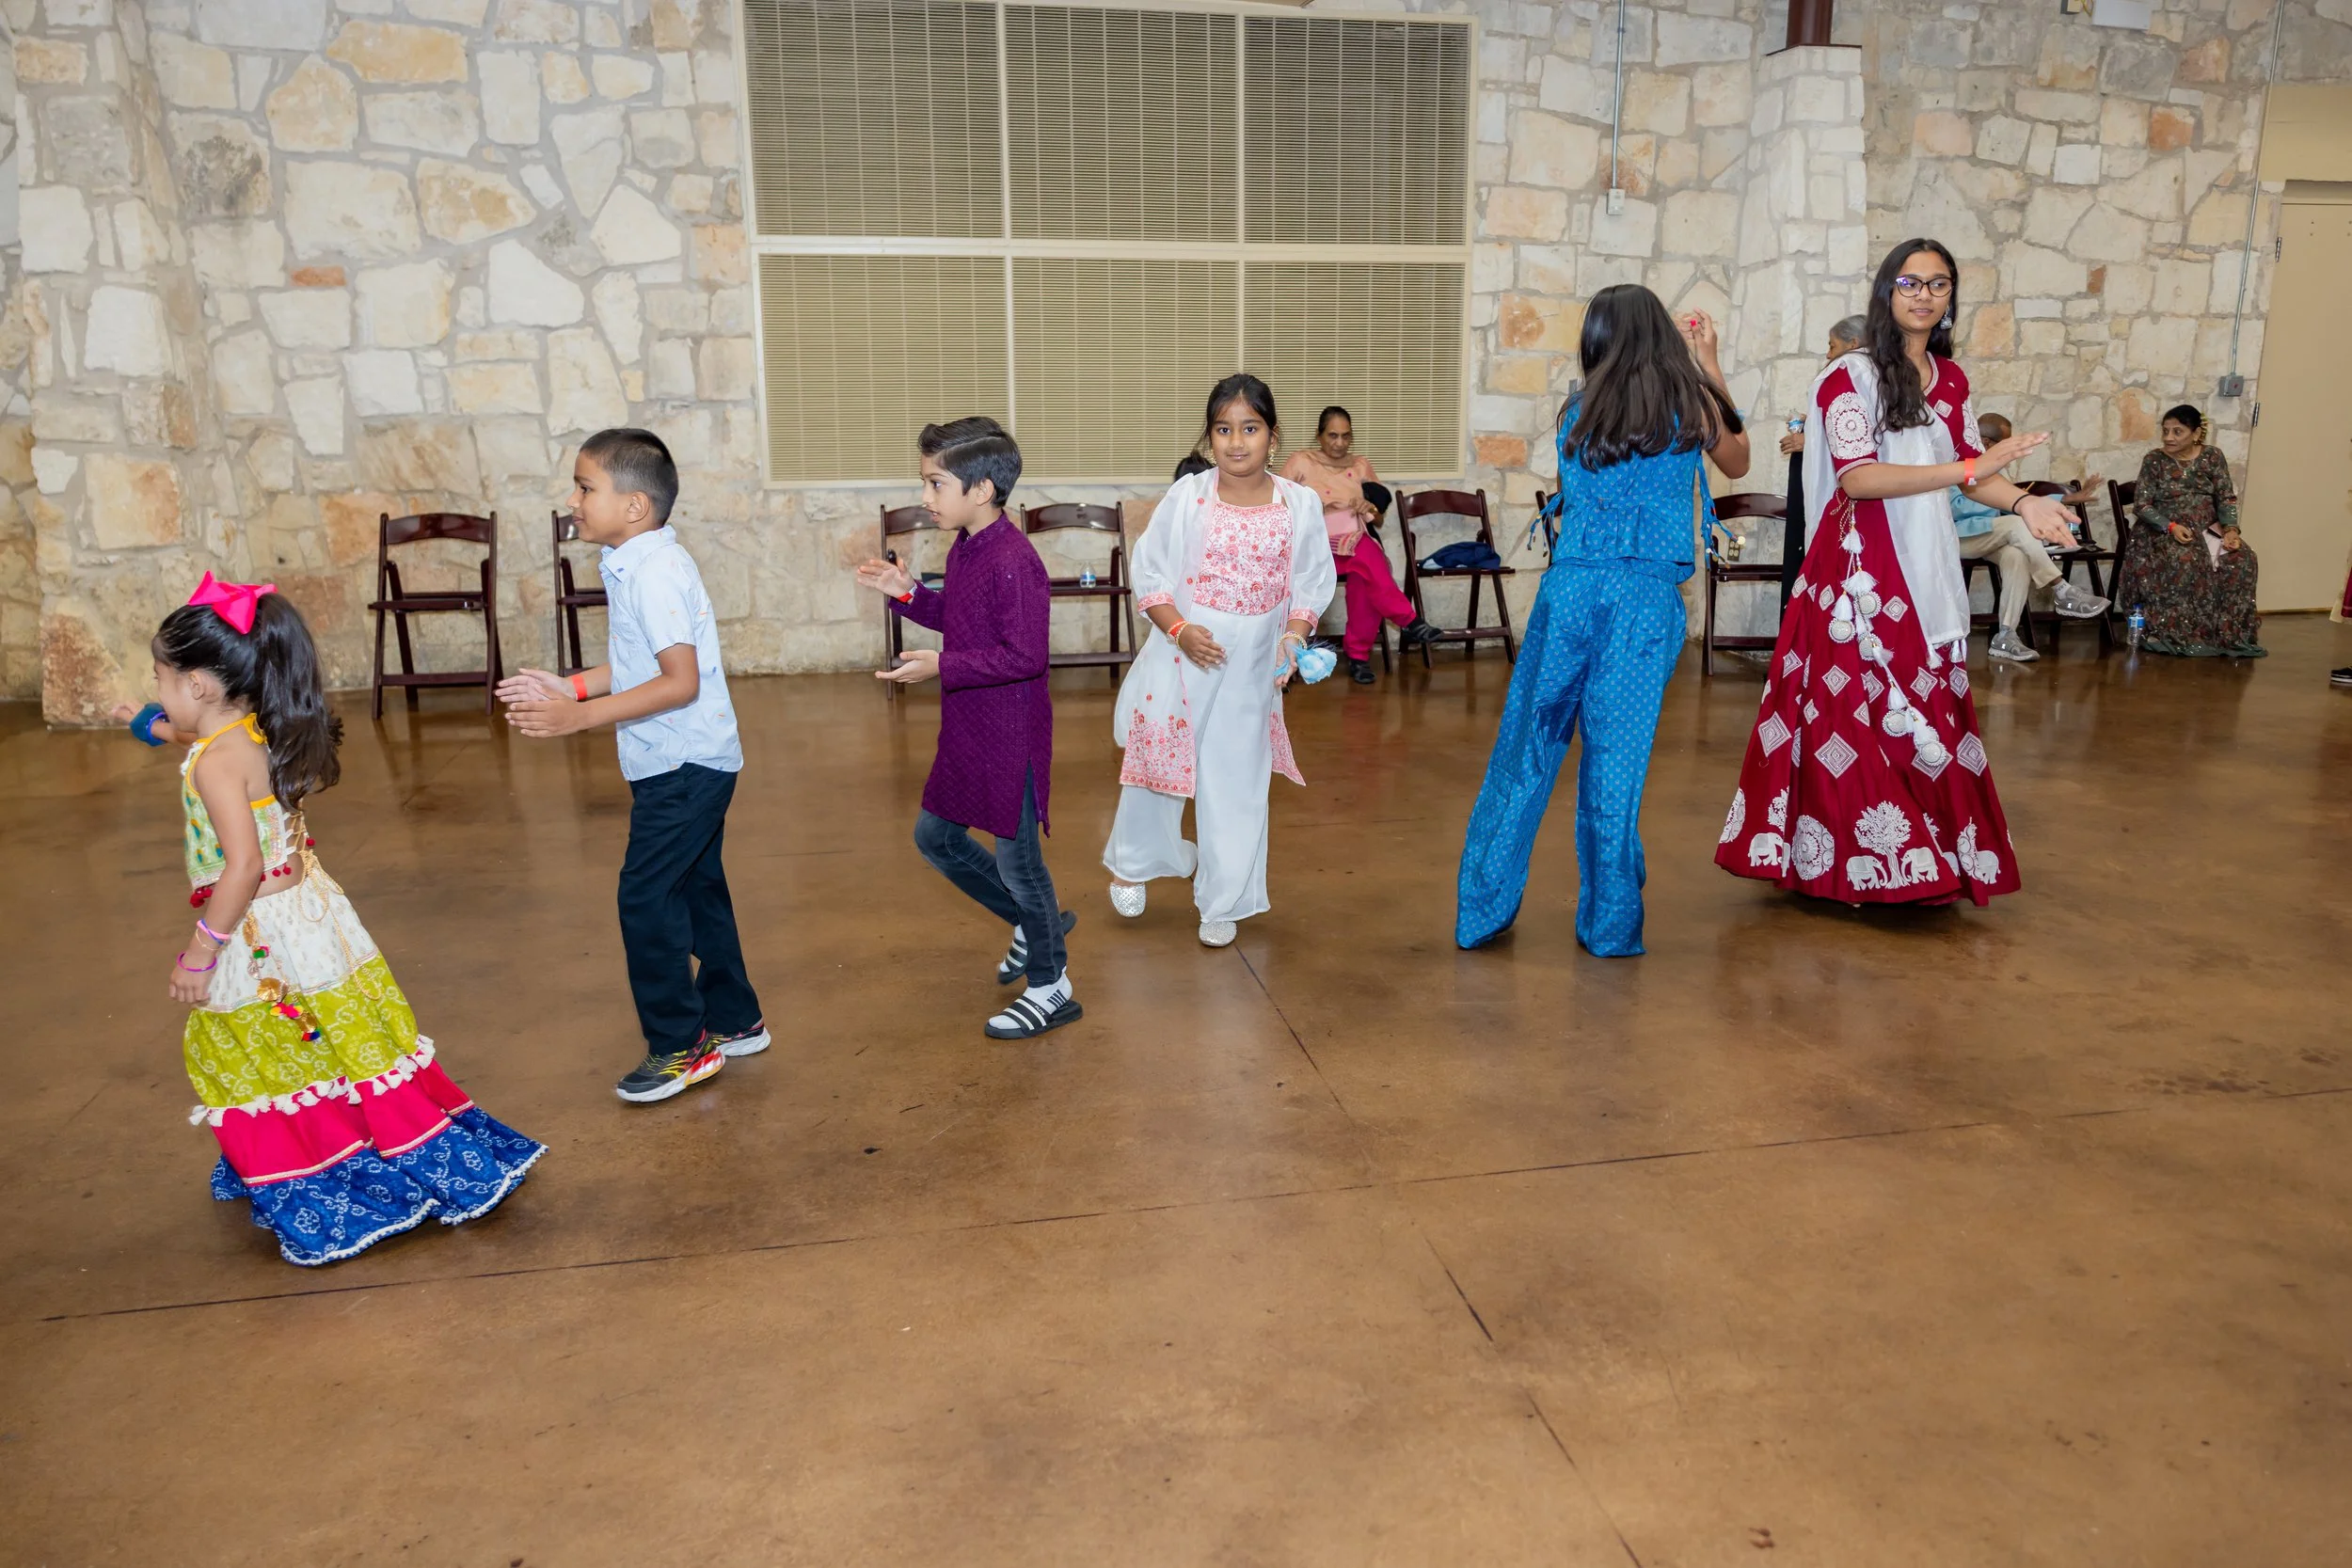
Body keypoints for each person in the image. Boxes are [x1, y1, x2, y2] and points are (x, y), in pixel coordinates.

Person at [120, 576, 542, 1266]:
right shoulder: (254, 726)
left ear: (198, 683)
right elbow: (187, 736)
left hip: (255, 932)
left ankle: (315, 1172)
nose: (160, 693)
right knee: (340, 1035)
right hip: (311, 915)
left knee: (239, 1048)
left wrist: (201, 951)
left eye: (161, 680)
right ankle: (362, 1146)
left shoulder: (216, 766)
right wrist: (147, 723)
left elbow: (243, 867)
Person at [1716, 237, 2080, 907]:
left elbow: (1975, 475)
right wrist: (1971, 469)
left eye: (1938, 285)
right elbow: (1859, 478)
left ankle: (1926, 859)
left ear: (1950, 300)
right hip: (1857, 571)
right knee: (1848, 714)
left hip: (1928, 562)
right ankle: (1845, 866)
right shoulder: (1848, 376)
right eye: (1910, 283)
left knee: (1928, 702)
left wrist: (2026, 503)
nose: (1924, 295)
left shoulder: (1952, 380)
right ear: (1888, 292)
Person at [1457, 293, 1750, 956]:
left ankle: (1480, 910)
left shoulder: (1578, 409)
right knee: (1615, 766)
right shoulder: (1694, 404)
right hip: (1644, 604)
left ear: (1598, 339)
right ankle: (1610, 925)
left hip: (1570, 593)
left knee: (1525, 749)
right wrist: (1708, 363)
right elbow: (1737, 461)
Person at [499, 429, 769, 1102]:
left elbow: (679, 682)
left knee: (645, 898)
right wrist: (573, 687)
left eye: (586, 487)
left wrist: (577, 719)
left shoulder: (653, 571)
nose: (573, 499)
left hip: (683, 764)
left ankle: (681, 1044)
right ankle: (736, 1019)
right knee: (697, 887)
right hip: (682, 761)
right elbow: (644, 662)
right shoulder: (635, 562)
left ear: (636, 506)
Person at [854, 418, 1078, 1039]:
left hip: (1011, 736)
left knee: (1020, 862)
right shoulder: (970, 547)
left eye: (936, 483)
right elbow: (961, 620)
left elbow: (1024, 656)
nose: (926, 497)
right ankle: (1032, 926)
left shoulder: (1015, 559)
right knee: (936, 836)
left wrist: (941, 665)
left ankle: (1051, 983)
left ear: (981, 490)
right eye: (925, 482)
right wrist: (907, 594)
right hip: (971, 727)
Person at [1104, 373, 1336, 948]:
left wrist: (1293, 639)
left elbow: (1310, 584)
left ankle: (1223, 895)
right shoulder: (1191, 495)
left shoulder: (1298, 503)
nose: (1237, 442)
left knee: (1236, 778)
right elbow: (1151, 573)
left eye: (1250, 429)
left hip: (1255, 662)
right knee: (1157, 768)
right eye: (1224, 430)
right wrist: (1180, 631)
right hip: (1184, 654)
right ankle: (1133, 862)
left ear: (1273, 436)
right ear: (1210, 439)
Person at [1279, 406, 1438, 683]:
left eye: (1345, 436)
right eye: (1332, 436)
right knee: (1368, 561)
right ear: (1319, 436)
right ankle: (1404, 625)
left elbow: (1377, 519)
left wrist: (1368, 506)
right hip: (1313, 543)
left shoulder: (1360, 465)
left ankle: (1360, 656)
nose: (1339, 443)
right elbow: (1277, 502)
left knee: (1365, 566)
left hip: (1351, 536)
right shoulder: (1301, 461)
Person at [1952, 410, 2109, 662]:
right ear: (1988, 444)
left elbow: (2013, 500)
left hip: (1987, 535)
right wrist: (2001, 501)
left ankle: (2005, 635)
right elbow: (1957, 507)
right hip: (1956, 538)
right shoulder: (1958, 463)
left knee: (2017, 557)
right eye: (2007, 444)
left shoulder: (1991, 473)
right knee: (2016, 523)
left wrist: (2067, 499)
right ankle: (2061, 589)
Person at [2116, 404, 2264, 657]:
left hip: (2207, 528)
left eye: (2177, 432)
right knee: (2184, 560)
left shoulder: (2213, 456)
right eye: (2165, 431)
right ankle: (2180, 633)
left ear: (2196, 434)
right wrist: (2170, 526)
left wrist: (2230, 530)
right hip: (2162, 529)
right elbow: (2141, 505)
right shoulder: (2154, 460)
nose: (2168, 438)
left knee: (2243, 560)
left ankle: (2227, 635)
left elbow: (2225, 497)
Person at [1780, 315, 1867, 616]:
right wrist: (1812, 427)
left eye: (1833, 346)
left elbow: (1862, 438)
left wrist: (1812, 442)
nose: (1829, 355)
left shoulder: (1857, 375)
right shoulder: (1841, 377)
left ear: (1854, 345)